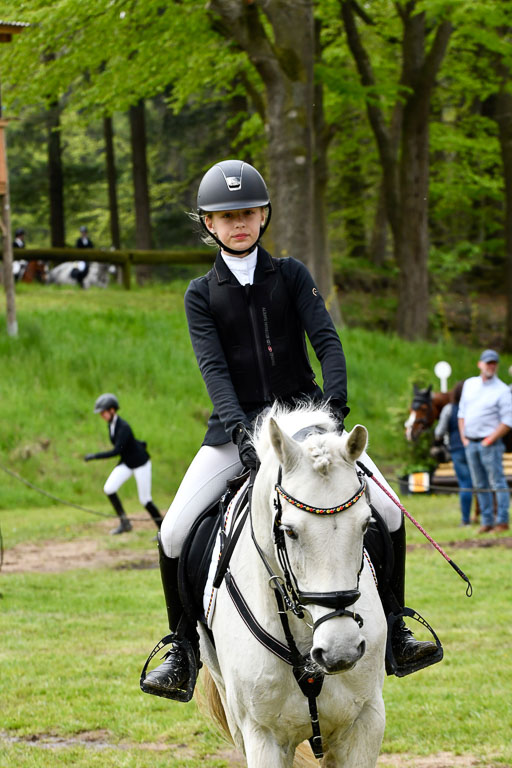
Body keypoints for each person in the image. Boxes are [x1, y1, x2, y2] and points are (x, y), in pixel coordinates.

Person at [141, 159, 438, 700]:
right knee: (173, 532)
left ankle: (396, 626)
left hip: (310, 425)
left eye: (248, 213)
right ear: (209, 223)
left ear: (263, 216)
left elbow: (326, 341)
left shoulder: (292, 275)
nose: (238, 224)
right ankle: (181, 648)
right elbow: (214, 370)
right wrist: (240, 434)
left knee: (391, 510)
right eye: (226, 216)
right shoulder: (200, 294)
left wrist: (335, 408)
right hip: (234, 434)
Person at [84, 393, 163, 534]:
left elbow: (116, 451)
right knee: (109, 488)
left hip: (140, 463)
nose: (102, 415)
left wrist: (94, 456)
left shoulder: (123, 427)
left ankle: (163, 531)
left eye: (103, 412)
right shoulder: (111, 425)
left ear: (112, 410)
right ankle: (125, 523)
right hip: (127, 462)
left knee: (145, 500)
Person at [458, 349, 512, 534]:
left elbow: (507, 421)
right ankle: (487, 521)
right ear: (480, 364)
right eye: (488, 363)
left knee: (497, 482)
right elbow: (462, 413)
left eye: (494, 363)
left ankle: (502, 521)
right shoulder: (470, 384)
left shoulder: (502, 390)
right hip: (470, 443)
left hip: (490, 444)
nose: (491, 366)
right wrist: (464, 438)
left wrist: (490, 439)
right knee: (479, 484)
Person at [433, 381, 473, 526]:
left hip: (457, 449)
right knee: (482, 483)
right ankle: (487, 518)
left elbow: (439, 431)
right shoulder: (474, 407)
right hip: (476, 446)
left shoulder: (449, 409)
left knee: (465, 484)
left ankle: (466, 519)